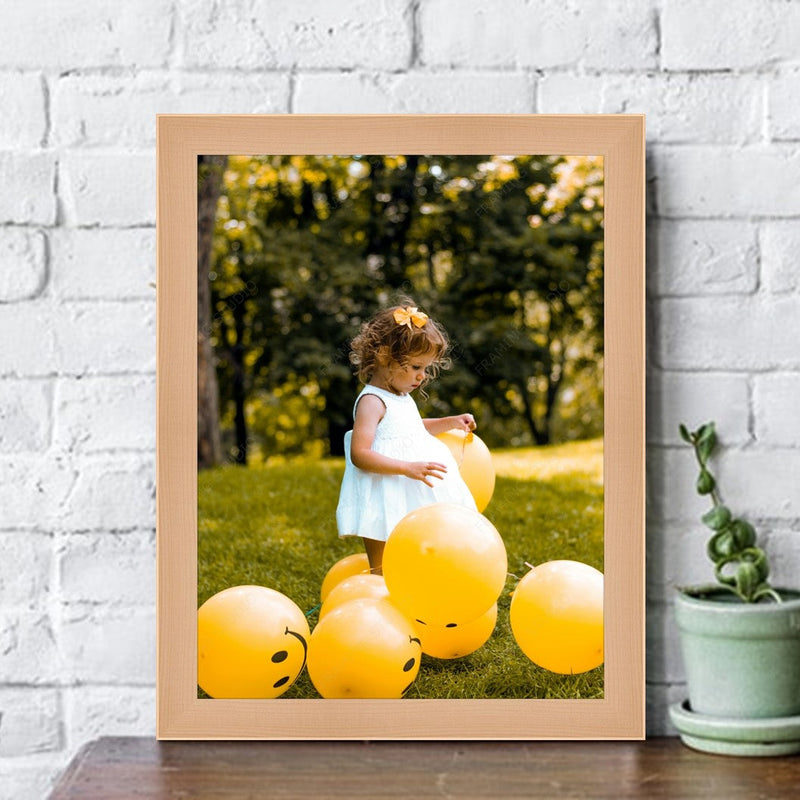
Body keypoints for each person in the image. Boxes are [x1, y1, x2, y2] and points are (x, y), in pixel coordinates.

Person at [336, 302, 478, 575]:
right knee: (383, 563)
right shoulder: (372, 401)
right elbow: (360, 453)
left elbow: (412, 429)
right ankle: (378, 588)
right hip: (384, 489)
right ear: (385, 357)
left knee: (416, 552)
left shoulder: (401, 397)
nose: (422, 376)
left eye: (425, 368)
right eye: (415, 367)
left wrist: (451, 422)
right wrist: (406, 467)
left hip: (408, 488)